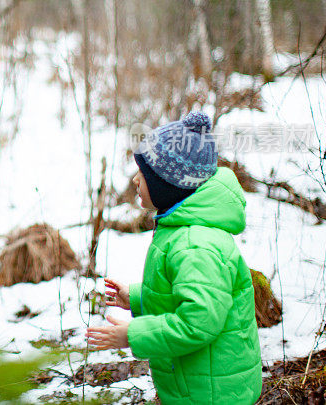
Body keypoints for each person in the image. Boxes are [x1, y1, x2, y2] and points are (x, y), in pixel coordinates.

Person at [86, 111, 262, 404]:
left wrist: (133, 334)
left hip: (213, 393)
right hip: (198, 384)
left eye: (142, 175)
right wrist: (138, 298)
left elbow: (198, 322)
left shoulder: (196, 245)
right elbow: (184, 293)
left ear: (167, 186)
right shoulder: (181, 228)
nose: (134, 180)